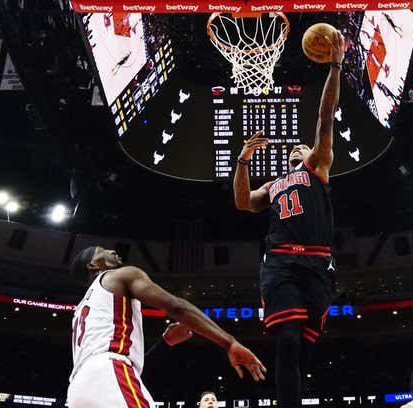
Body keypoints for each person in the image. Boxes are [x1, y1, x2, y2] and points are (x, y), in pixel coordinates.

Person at [232, 31, 347, 408]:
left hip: (316, 261)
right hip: (280, 260)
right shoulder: (275, 184)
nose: (301, 147)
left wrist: (335, 66)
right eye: (297, 147)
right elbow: (243, 203)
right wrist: (243, 160)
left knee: (303, 349)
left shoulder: (317, 166)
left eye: (306, 145)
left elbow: (325, 115)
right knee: (286, 339)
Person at [67, 246, 266, 408]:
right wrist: (229, 342)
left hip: (77, 389)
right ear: (92, 265)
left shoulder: (82, 307)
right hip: (109, 374)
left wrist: (164, 341)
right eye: (103, 250)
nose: (112, 251)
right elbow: (176, 306)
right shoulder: (119, 276)